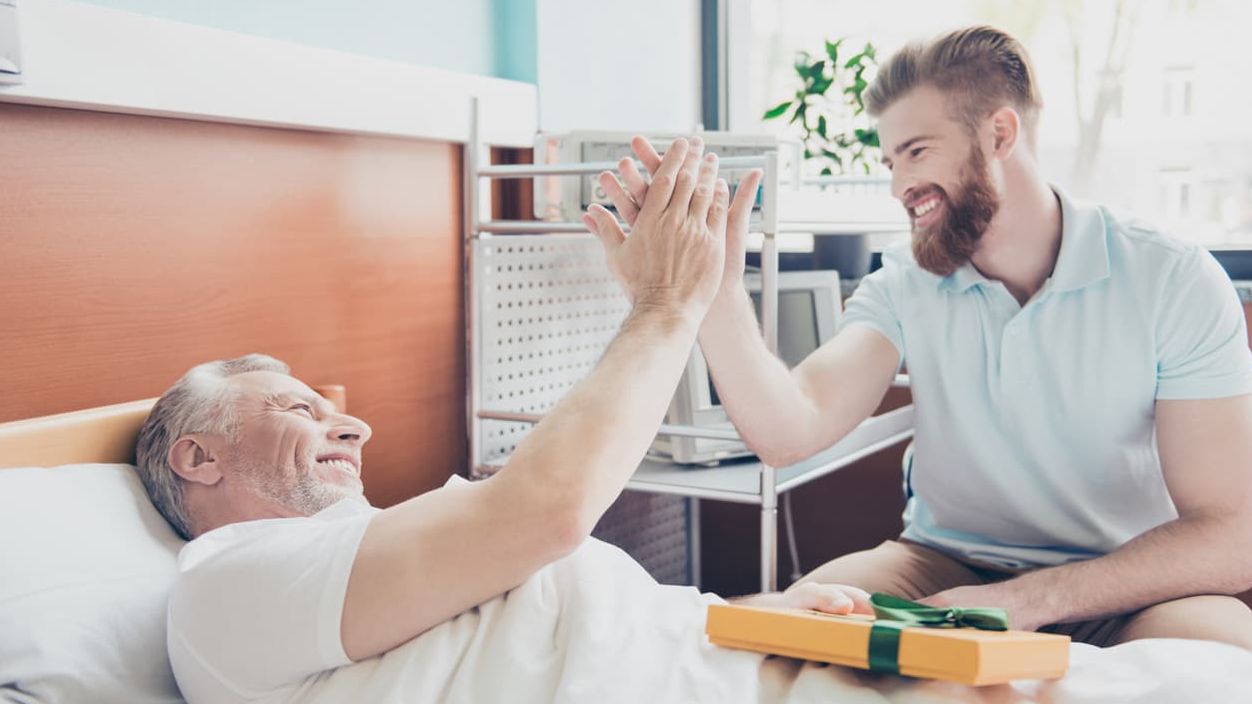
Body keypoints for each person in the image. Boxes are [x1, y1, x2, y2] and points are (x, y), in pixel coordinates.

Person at [134, 139, 870, 703]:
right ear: (199, 458)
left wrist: (755, 616)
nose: (356, 430)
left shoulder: (385, 553)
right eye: (300, 408)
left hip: (746, 663)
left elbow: (577, 631)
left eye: (338, 414)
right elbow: (547, 514)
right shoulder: (222, 590)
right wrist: (669, 300)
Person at [592, 26, 1252, 649]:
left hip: (1127, 583)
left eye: (916, 152)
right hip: (940, 571)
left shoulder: (1171, 278)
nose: (899, 185)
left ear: (999, 133)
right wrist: (714, 292)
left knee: (1218, 654)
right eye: (890, 160)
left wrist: (1030, 601)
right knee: (799, 628)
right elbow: (789, 429)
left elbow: (1232, 534)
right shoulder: (905, 281)